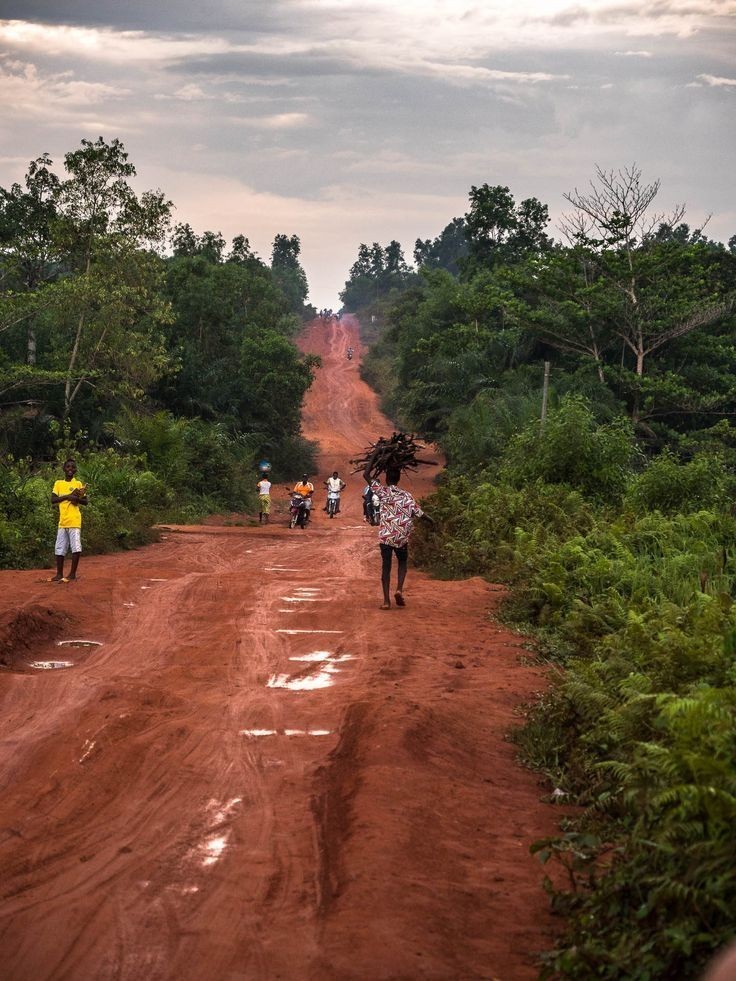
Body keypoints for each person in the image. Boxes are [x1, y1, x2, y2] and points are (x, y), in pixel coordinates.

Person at [362, 461, 431, 610]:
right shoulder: (407, 495)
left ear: (387, 479)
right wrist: (432, 521)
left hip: (386, 536)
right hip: (402, 536)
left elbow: (366, 474)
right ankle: (399, 589)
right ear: (399, 479)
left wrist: (376, 455)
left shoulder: (383, 492)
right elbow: (419, 513)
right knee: (402, 562)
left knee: (386, 567)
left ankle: (386, 602)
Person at [50, 457, 88, 582]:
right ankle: (59, 574)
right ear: (64, 469)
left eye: (73, 467)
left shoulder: (78, 484)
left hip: (74, 521)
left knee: (76, 547)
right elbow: (53, 500)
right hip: (62, 521)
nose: (70, 469)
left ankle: (72, 574)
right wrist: (68, 496)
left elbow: (85, 502)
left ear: (76, 470)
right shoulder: (58, 483)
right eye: (68, 467)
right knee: (59, 548)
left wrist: (76, 499)